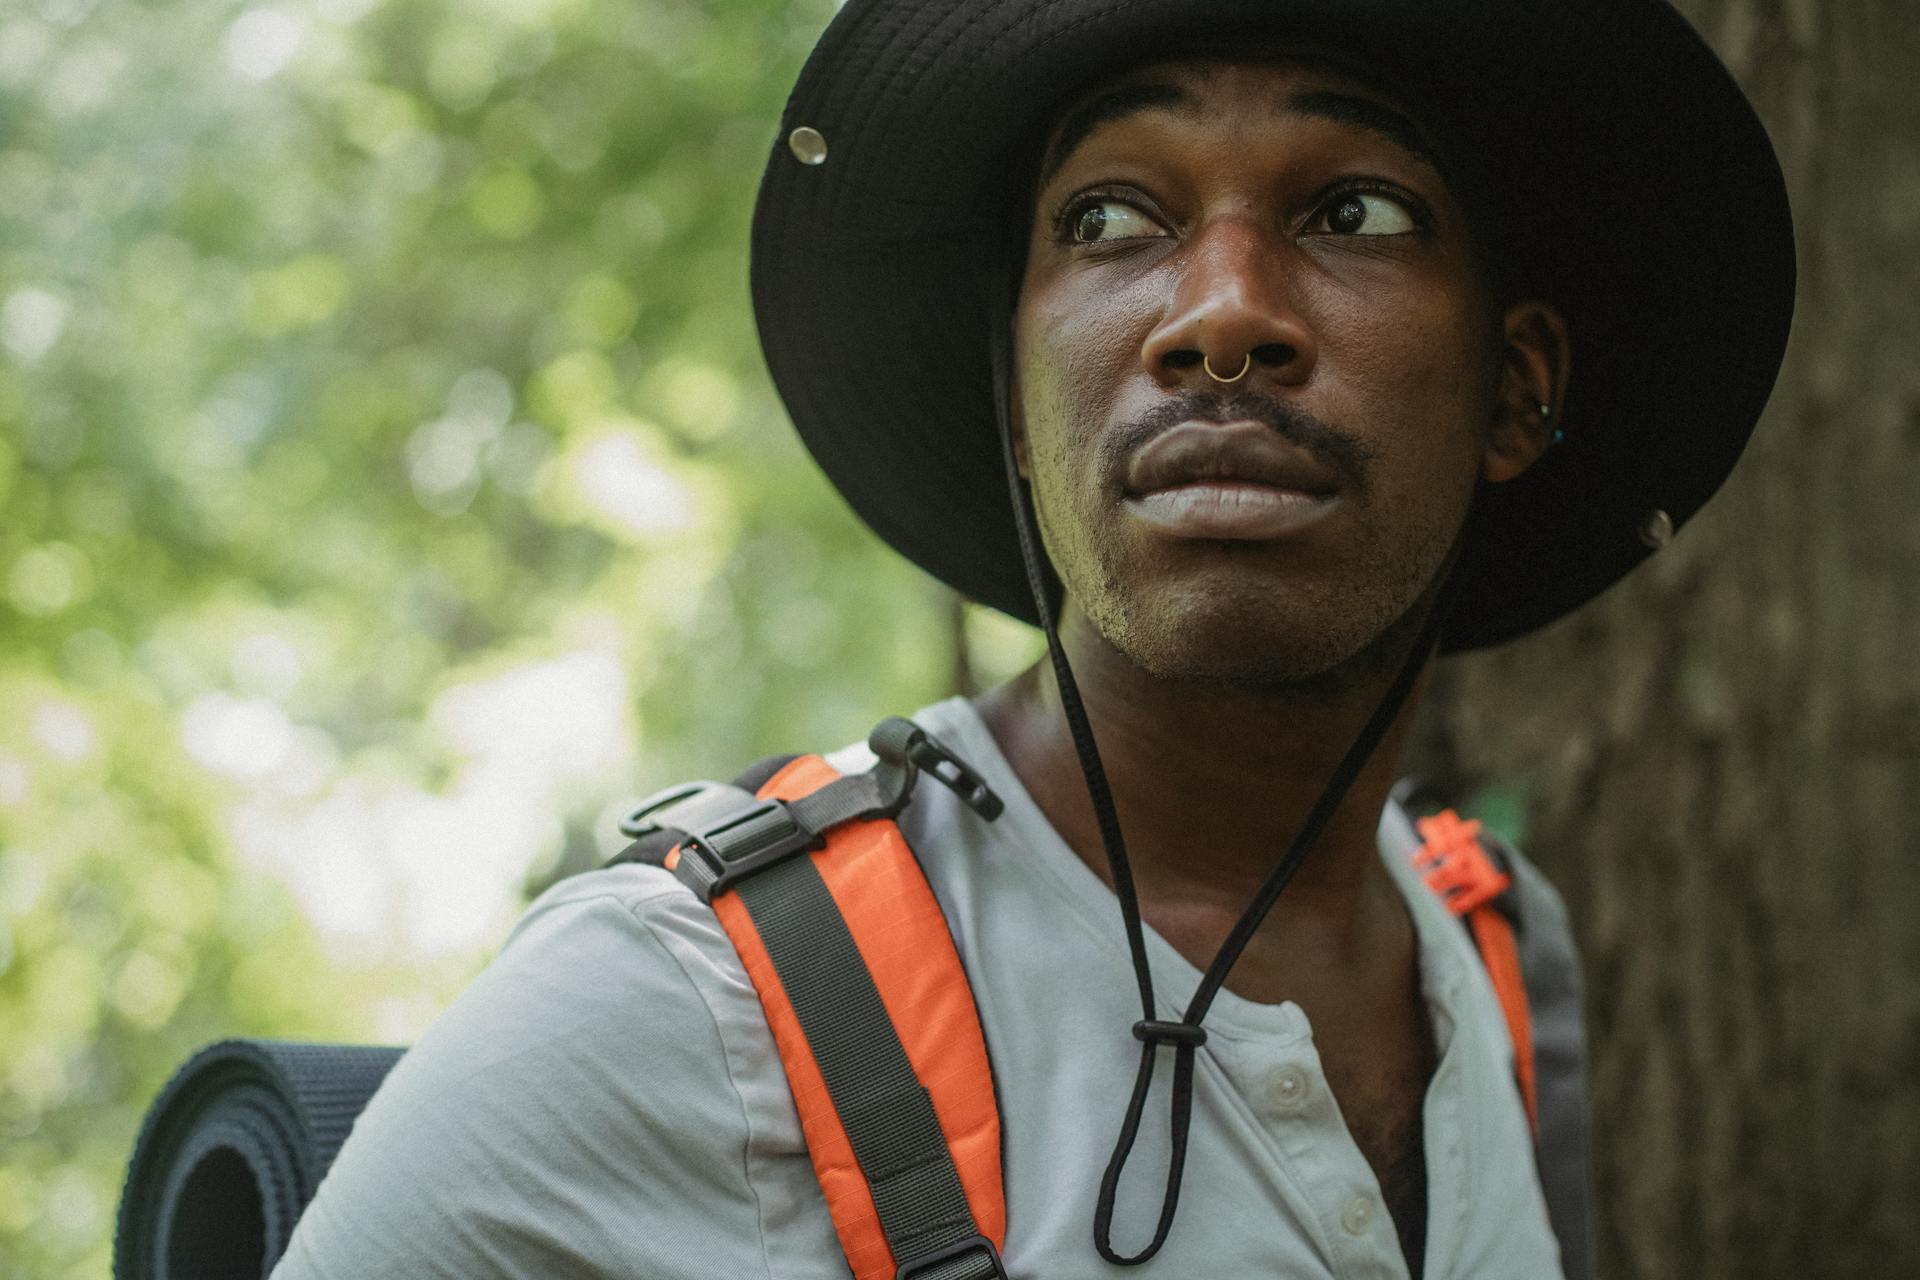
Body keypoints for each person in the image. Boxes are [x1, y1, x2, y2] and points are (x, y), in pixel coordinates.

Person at [270, 1, 1794, 1277]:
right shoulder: (689, 994)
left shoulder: (1499, 956)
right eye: (1113, 218)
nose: (1223, 314)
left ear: (1517, 393)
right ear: (1012, 400)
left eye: (1355, 212)